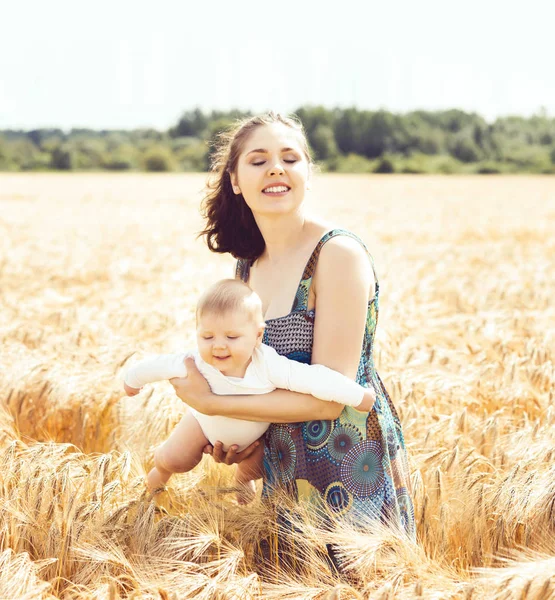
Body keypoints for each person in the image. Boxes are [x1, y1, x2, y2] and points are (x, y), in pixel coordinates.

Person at [169, 112, 416, 548]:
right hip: (282, 464)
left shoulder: (336, 255)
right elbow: (255, 377)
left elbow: (328, 398)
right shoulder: (246, 267)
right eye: (258, 160)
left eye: (290, 158)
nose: (276, 168)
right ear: (235, 180)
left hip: (348, 461)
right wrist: (243, 445)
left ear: (307, 173)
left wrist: (212, 401)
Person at [123, 278, 375, 503]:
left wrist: (356, 395)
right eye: (207, 337)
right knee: (176, 458)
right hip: (202, 424)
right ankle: (160, 472)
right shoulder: (194, 362)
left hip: (255, 437)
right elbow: (158, 364)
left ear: (257, 336)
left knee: (258, 465)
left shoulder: (267, 364)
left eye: (231, 337)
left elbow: (313, 379)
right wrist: (132, 379)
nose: (218, 346)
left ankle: (243, 479)